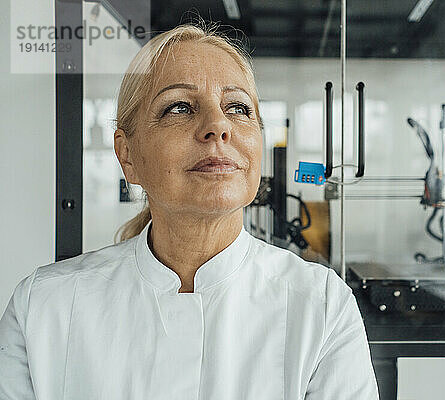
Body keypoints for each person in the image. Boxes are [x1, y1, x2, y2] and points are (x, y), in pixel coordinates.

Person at [0, 22, 379, 399]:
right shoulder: (43, 309)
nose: (218, 126)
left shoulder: (322, 307)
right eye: (179, 107)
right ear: (127, 155)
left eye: (237, 108)